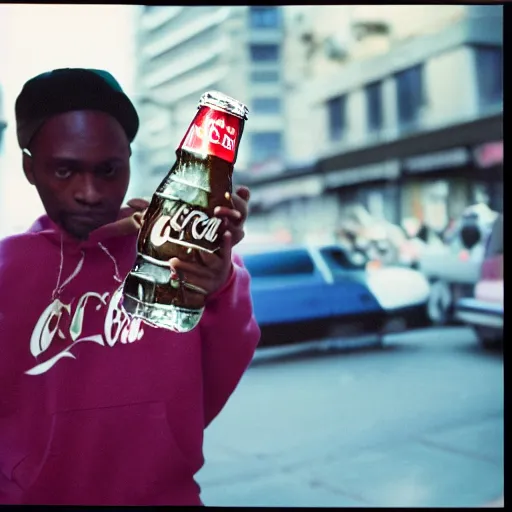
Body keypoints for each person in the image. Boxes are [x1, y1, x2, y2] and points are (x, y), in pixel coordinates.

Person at [0, 68, 261, 506]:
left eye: (108, 170)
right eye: (65, 171)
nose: (89, 192)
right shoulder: (7, 271)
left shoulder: (178, 259)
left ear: (128, 161)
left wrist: (220, 286)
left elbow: (219, 378)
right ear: (29, 167)